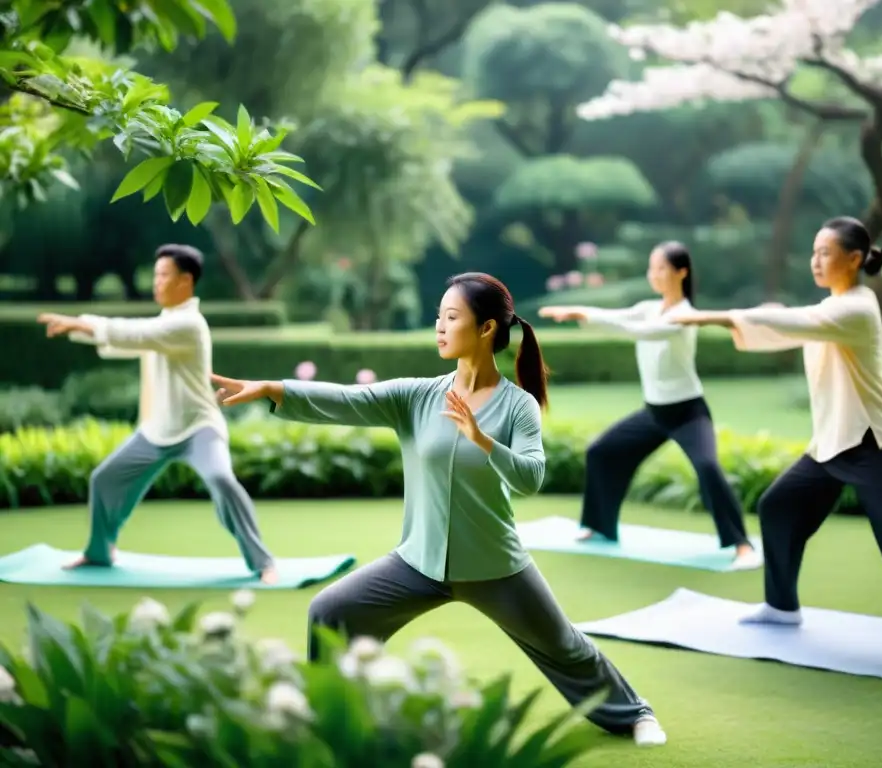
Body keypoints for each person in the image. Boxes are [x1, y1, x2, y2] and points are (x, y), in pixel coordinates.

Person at [212, 272, 668, 747]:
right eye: (439, 317)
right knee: (331, 609)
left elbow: (530, 478)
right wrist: (272, 389)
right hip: (418, 562)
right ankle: (331, 717)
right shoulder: (418, 396)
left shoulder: (518, 407)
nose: (440, 326)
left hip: (495, 565)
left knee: (566, 646)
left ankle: (635, 714)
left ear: (487, 328)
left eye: (451, 317)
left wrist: (482, 440)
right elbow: (348, 399)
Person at [666, 217, 882, 665]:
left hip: (871, 445)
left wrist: (711, 316)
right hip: (829, 444)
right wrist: (739, 320)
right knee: (778, 507)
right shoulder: (831, 309)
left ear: (853, 259)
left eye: (825, 252)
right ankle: (782, 606)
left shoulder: (857, 308)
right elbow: (787, 327)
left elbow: (794, 321)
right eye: (813, 252)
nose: (816, 260)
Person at [36, 244, 278, 585]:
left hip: (198, 428)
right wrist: (79, 329)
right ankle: (99, 552)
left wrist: (80, 323)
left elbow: (137, 334)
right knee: (104, 480)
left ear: (186, 281)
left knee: (222, 480)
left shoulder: (189, 325)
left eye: (163, 275)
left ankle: (263, 561)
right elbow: (129, 341)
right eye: (156, 275)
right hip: (156, 429)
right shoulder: (167, 322)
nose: (156, 282)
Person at [538, 242, 761, 570]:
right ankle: (600, 526)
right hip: (654, 413)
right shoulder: (648, 307)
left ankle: (740, 544)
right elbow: (619, 316)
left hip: (687, 412)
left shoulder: (685, 315)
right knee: (602, 451)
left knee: (709, 468)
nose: (653, 274)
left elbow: (639, 330)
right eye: (651, 268)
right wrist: (580, 312)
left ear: (681, 272)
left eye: (660, 268)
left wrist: (582, 315)